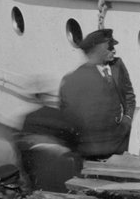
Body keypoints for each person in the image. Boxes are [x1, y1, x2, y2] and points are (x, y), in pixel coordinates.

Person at [58, 29, 135, 159]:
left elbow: (129, 95)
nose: (114, 51)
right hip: (96, 145)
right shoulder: (80, 76)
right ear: (99, 49)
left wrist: (127, 119)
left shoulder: (118, 65)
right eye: (110, 48)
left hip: (120, 138)